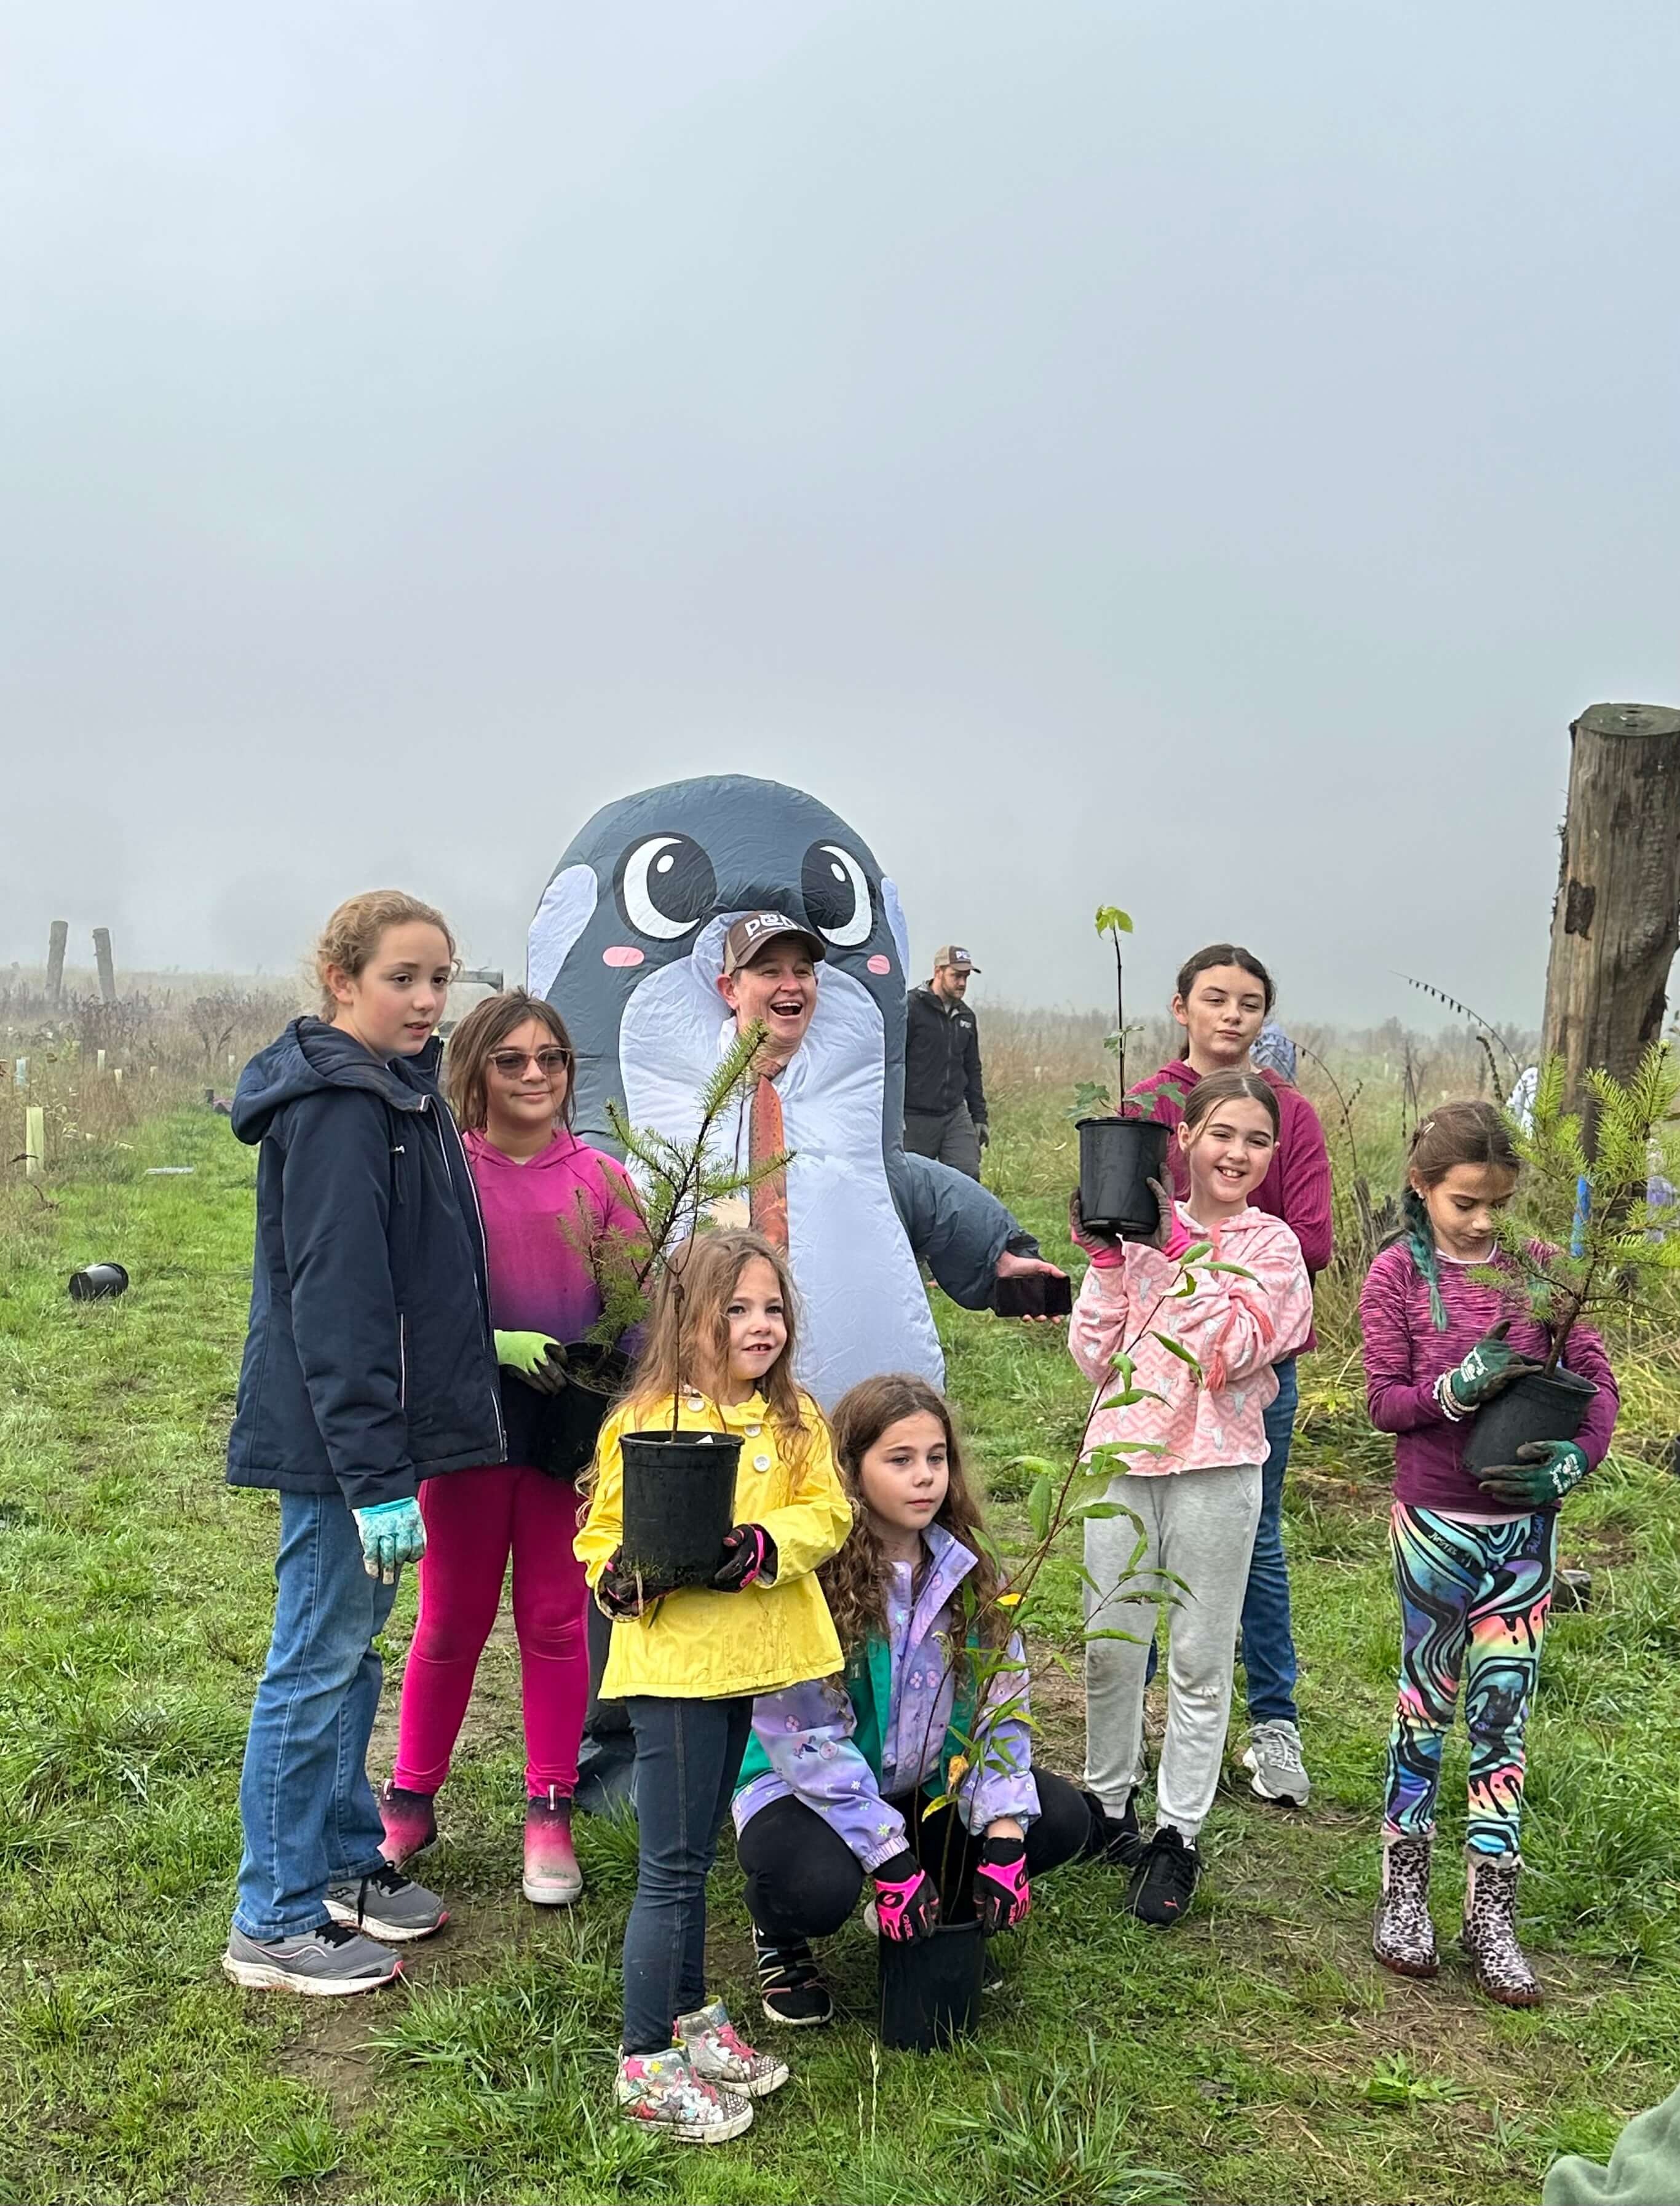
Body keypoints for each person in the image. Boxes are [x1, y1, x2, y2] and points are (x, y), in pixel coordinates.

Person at [221, 891, 504, 1997]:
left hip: (381, 1444)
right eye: (403, 978)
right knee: (313, 1659)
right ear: (341, 981)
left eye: (441, 978)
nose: (429, 1000)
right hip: (347, 1448)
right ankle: (275, 1916)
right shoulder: (342, 1105)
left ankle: (342, 1859)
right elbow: (338, 1301)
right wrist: (375, 1475)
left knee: (353, 1649)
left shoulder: (401, 1094)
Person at [574, 1229, 852, 2143]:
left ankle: (692, 2021)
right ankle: (646, 2059)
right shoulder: (648, 1422)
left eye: (772, 1307)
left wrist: (767, 1545)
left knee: (697, 1854)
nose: (759, 1325)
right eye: (735, 1308)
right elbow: (602, 1529)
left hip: (747, 1661)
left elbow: (830, 1509)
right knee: (672, 1865)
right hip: (679, 1668)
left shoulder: (794, 1419)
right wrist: (613, 1571)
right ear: (688, 1319)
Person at [378, 990, 644, 1905]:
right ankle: (409, 1799)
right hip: (464, 1419)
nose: (536, 1074)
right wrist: (491, 1344)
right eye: (513, 1059)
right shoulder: (444, 1172)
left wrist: (614, 1384)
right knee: (450, 1617)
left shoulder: (602, 1181)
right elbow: (408, 1300)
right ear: (476, 1070)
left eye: (552, 1058)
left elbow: (641, 1309)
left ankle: (549, 1807)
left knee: (555, 1616)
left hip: (561, 1428)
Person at [734, 1373, 1102, 2026]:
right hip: (804, 1791)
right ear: (850, 1470)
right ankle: (782, 1937)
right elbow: (805, 1740)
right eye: (899, 1460)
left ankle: (945, 1911)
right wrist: (887, 1850)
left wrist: (1004, 1834)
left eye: (936, 1458)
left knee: (1062, 1816)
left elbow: (1001, 1707)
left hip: (924, 1780)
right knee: (810, 1883)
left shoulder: (968, 1569)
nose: (924, 1477)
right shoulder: (811, 1581)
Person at [1360, 1101, 1618, 2006]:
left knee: (1503, 1715)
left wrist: (1575, 1459)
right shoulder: (1395, 1276)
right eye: (1465, 1200)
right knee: (1425, 1698)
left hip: (1524, 1533)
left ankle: (1490, 1912)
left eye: (1497, 1204)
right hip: (1435, 1520)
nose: (1481, 1220)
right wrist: (1455, 1387)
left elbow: (1597, 1382)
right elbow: (1386, 1403)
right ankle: (1402, 1890)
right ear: (1423, 1186)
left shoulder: (1542, 1274)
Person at [1070, 1069, 1313, 1928]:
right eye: (1221, 1134)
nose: (1236, 1153)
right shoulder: (1137, 1241)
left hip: (1217, 1469)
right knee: (1111, 1642)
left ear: (1270, 1153)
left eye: (1255, 1139)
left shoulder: (1272, 1248)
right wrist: (1108, 1262)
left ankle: (1178, 1831)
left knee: (1199, 1659)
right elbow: (1097, 1357)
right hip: (1127, 1463)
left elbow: (1239, 1348)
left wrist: (1180, 1251)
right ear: (1184, 1139)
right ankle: (1107, 1808)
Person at [1130, 943, 1331, 1809]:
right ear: (1183, 1007)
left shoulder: (1292, 1113)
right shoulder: (1147, 1108)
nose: (1233, 1015)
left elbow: (1313, 1238)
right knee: (1140, 1531)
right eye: (1216, 998)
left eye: (1250, 1002)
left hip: (1255, 1365)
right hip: (1150, 1361)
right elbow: (1120, 1226)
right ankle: (1132, 1716)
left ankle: (1274, 1722)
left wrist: (1235, 1251)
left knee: (1259, 1534)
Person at [903, 945, 989, 1178]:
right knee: (911, 1184)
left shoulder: (966, 1017)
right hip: (913, 1116)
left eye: (966, 977)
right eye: (956, 976)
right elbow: (893, 1063)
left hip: (954, 1114)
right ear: (938, 972)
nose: (962, 983)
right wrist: (892, 1114)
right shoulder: (910, 1008)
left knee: (968, 1176)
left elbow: (972, 1069)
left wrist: (980, 1118)